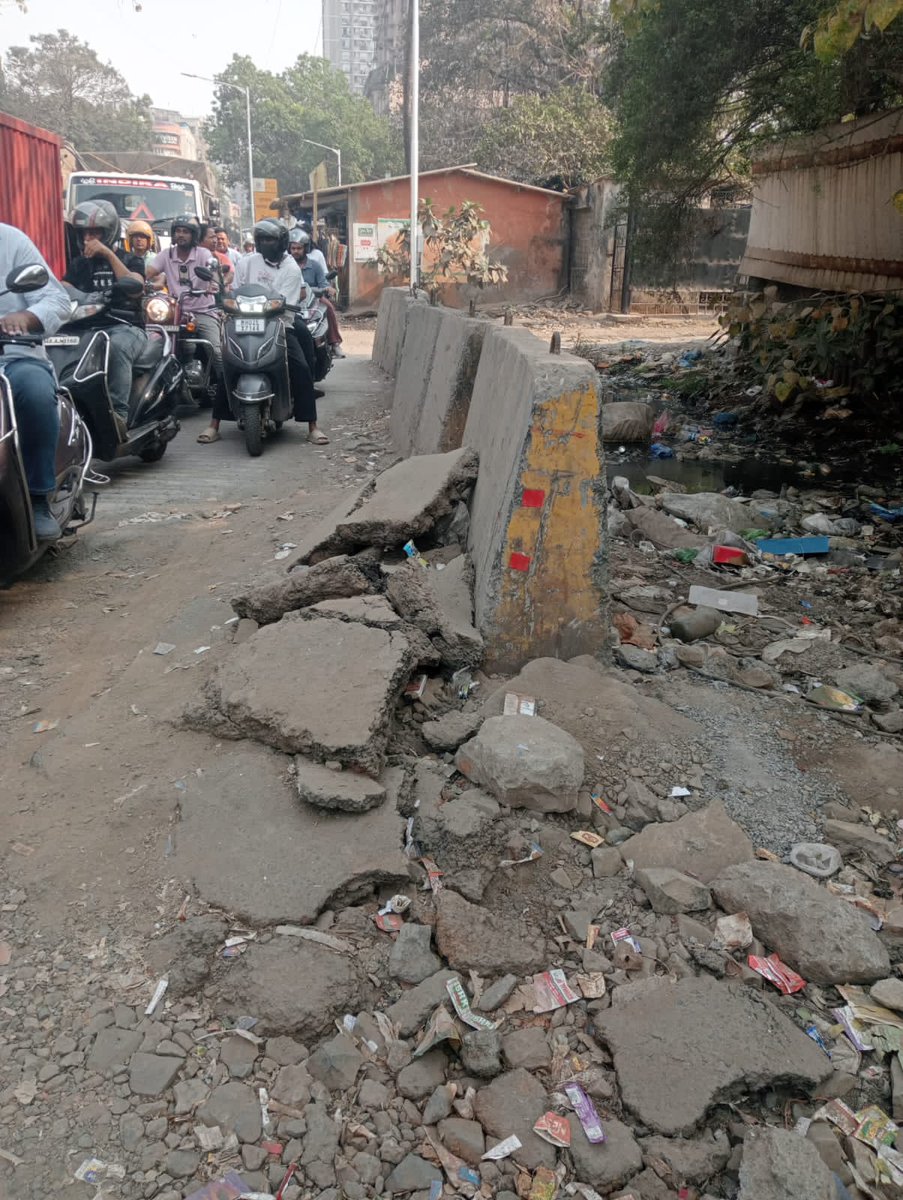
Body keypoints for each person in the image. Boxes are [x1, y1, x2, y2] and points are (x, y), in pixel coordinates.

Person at [197, 218, 327, 446]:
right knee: (228, 364)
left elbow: (285, 303)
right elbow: (236, 290)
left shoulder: (291, 269)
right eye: (262, 239)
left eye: (271, 239)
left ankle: (312, 426)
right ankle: (214, 424)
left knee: (301, 367)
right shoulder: (248, 262)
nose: (266, 243)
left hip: (279, 325)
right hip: (244, 323)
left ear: (281, 242)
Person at [64, 199, 161, 439]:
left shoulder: (130, 259)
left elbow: (135, 286)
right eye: (85, 232)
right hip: (86, 328)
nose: (89, 237)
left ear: (109, 233)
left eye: (95, 232)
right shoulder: (79, 264)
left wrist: (108, 254)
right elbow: (64, 287)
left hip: (125, 328)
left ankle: (119, 414)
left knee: (114, 346)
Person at [0, 223, 72, 540]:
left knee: (35, 390)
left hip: (12, 355)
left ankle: (38, 495)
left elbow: (55, 300)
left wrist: (25, 318)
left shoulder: (11, 241)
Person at [145, 216, 227, 433]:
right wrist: (143, 283)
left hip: (203, 310)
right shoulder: (167, 254)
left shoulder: (203, 254)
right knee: (153, 345)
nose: (181, 235)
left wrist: (212, 285)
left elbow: (213, 275)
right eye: (178, 231)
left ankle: (229, 394)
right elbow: (149, 272)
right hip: (176, 312)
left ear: (194, 236)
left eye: (186, 231)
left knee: (216, 351)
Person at [288, 229, 344, 357]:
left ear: (305, 249)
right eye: (293, 248)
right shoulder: (285, 265)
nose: (296, 251)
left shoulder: (315, 266)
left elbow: (323, 284)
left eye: (299, 248)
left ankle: (334, 342)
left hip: (313, 300)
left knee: (328, 307)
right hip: (290, 300)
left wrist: (327, 289)